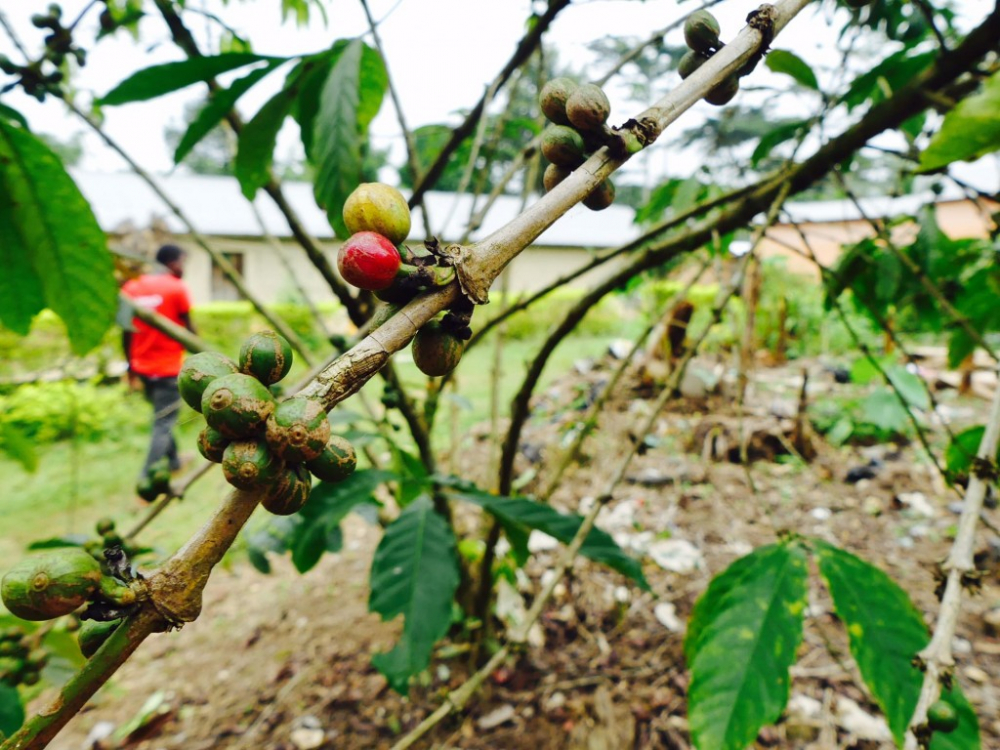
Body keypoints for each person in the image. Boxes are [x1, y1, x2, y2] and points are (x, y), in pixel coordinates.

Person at [120, 244, 196, 484]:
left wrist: (130, 367)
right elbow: (190, 331)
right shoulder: (176, 287)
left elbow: (126, 332)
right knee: (163, 423)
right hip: (168, 370)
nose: (183, 268)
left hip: (143, 368)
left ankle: (174, 462)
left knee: (163, 417)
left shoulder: (131, 288)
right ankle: (146, 478)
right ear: (172, 263)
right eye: (183, 262)